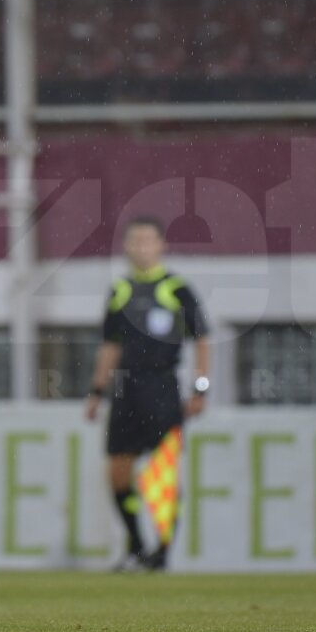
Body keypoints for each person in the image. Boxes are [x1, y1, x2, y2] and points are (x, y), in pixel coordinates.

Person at [85, 216, 210, 572]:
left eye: (148, 240)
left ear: (161, 246)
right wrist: (96, 391)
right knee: (119, 471)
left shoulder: (177, 288)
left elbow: (202, 339)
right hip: (125, 387)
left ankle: (163, 552)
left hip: (163, 385)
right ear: (127, 248)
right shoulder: (120, 291)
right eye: (135, 241)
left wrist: (201, 388)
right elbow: (109, 346)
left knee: (163, 474)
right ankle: (137, 545)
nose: (141, 247)